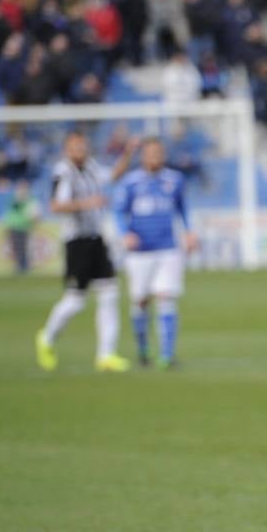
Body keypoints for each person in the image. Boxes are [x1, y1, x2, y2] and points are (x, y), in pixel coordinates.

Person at [35, 131, 136, 373]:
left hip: (97, 238)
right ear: (66, 150)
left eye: (83, 147)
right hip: (76, 241)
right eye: (75, 148)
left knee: (110, 294)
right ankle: (47, 338)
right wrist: (87, 203)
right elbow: (55, 206)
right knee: (75, 301)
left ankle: (106, 354)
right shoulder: (63, 172)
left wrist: (129, 153)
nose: (80, 152)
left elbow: (112, 175)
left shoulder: (91, 167)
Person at [112, 137, 198, 369]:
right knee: (140, 301)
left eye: (159, 153)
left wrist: (189, 231)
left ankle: (167, 355)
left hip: (168, 248)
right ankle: (143, 350)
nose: (155, 157)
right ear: (143, 156)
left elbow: (183, 209)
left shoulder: (175, 180)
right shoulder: (130, 182)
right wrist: (125, 234)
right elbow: (119, 212)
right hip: (139, 251)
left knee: (166, 297)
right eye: (151, 153)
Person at [3, 181, 41, 275]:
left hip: (26, 227)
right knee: (16, 248)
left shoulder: (31, 200)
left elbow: (35, 214)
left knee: (26, 248)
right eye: (20, 188)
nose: (22, 190)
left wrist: (34, 223)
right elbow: (10, 212)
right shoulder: (14, 199)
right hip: (14, 227)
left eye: (24, 188)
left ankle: (25, 267)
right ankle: (19, 267)